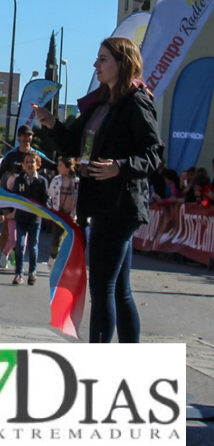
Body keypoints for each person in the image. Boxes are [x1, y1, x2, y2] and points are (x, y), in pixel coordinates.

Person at [33, 36, 162, 343]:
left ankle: (99, 363)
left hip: (120, 205)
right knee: (119, 289)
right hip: (102, 204)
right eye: (97, 58)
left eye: (103, 59)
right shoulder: (100, 103)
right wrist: (51, 124)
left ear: (122, 63)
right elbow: (73, 145)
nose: (96, 65)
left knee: (102, 287)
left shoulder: (135, 101)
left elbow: (154, 153)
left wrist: (120, 166)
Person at [10, 152, 49, 285]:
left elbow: (45, 199)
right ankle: (18, 273)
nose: (29, 164)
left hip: (34, 219)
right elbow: (14, 197)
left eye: (32, 162)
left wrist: (48, 209)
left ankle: (32, 271)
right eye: (26, 162)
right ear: (23, 164)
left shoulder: (42, 181)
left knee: (33, 246)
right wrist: (6, 209)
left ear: (38, 165)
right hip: (21, 217)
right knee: (20, 245)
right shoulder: (19, 180)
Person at [46, 157, 79, 265]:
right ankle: (52, 257)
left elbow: (78, 199)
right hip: (58, 213)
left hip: (71, 215)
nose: (58, 167)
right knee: (56, 239)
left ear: (68, 168)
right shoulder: (56, 180)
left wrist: (75, 214)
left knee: (69, 240)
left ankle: (64, 262)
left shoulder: (76, 182)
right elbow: (50, 195)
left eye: (61, 165)